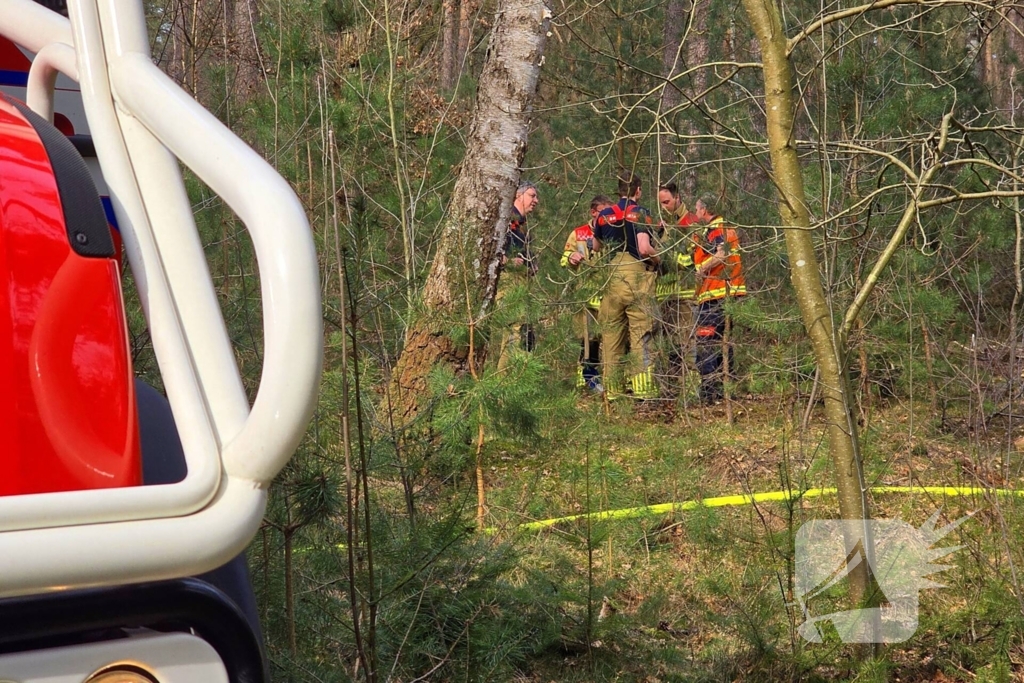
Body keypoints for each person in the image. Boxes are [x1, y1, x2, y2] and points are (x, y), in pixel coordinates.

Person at [593, 173, 660, 399]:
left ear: (619, 191)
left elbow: (595, 246)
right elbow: (643, 248)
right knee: (641, 333)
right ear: (638, 191)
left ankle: (613, 391)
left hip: (612, 278)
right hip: (636, 277)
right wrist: (659, 259)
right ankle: (642, 389)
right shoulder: (641, 213)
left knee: (612, 334)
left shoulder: (603, 215)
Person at [686, 194, 746, 404]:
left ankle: (709, 393)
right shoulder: (728, 228)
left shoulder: (714, 229)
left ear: (704, 210)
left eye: (697, 209)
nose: (696, 213)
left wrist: (701, 269)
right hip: (729, 293)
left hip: (715, 294)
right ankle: (724, 391)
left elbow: (721, 254)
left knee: (706, 342)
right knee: (723, 343)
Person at [561, 195, 613, 392]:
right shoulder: (578, 233)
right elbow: (564, 259)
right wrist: (571, 258)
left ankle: (608, 379)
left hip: (608, 296)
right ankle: (586, 380)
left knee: (608, 339)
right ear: (594, 212)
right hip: (585, 297)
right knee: (586, 339)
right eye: (604, 212)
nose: (607, 217)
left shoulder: (612, 233)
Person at [655, 182, 699, 395]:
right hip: (665, 295)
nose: (663, 206)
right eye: (660, 203)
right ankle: (671, 388)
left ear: (678, 197)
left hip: (685, 293)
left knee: (687, 342)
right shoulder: (662, 226)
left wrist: (666, 257)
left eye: (667, 202)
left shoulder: (690, 223)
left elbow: (693, 259)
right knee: (667, 344)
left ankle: (689, 388)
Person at [497, 181, 539, 372]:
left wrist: (531, 265)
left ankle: (520, 378)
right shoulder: (507, 219)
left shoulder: (522, 225)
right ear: (518, 195)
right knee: (514, 331)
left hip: (522, 283)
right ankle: (505, 381)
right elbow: (493, 250)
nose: (535, 201)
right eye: (532, 195)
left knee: (525, 332)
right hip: (508, 282)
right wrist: (506, 260)